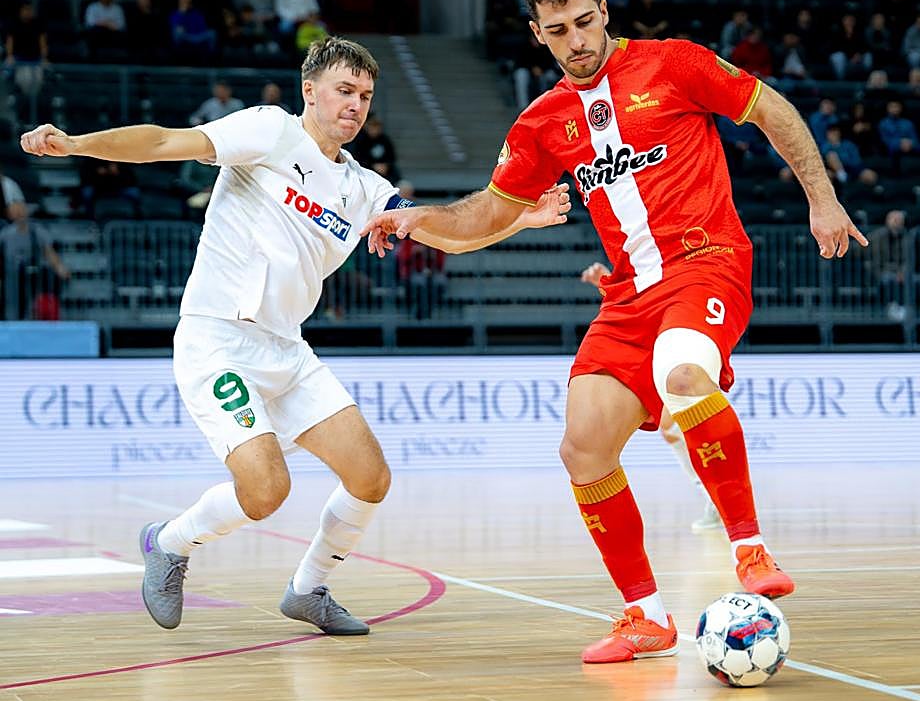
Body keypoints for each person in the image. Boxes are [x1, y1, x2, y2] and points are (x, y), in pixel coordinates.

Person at [360, 0, 865, 664]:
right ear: (537, 34)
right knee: (583, 446)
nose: (575, 40)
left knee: (682, 375)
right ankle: (646, 617)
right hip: (628, 295)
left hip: (706, 261)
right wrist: (418, 218)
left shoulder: (674, 64)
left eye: (584, 22)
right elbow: (486, 217)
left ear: (604, 12)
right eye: (557, 30)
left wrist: (823, 197)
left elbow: (772, 110)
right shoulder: (543, 122)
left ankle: (749, 549)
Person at [20, 37, 569, 635]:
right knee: (265, 490)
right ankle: (169, 542)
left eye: (365, 96)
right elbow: (162, 142)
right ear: (310, 90)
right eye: (344, 90)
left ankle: (309, 589)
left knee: (370, 477)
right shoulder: (269, 131)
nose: (355, 105)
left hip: (287, 350)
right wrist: (75, 144)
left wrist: (518, 219)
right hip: (218, 339)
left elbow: (447, 238)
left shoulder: (365, 188)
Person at [580, 261, 720, 532]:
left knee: (681, 421)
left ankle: (725, 501)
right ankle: (716, 498)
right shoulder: (639, 263)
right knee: (673, 428)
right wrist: (606, 283)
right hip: (657, 333)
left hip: (689, 321)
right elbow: (636, 296)